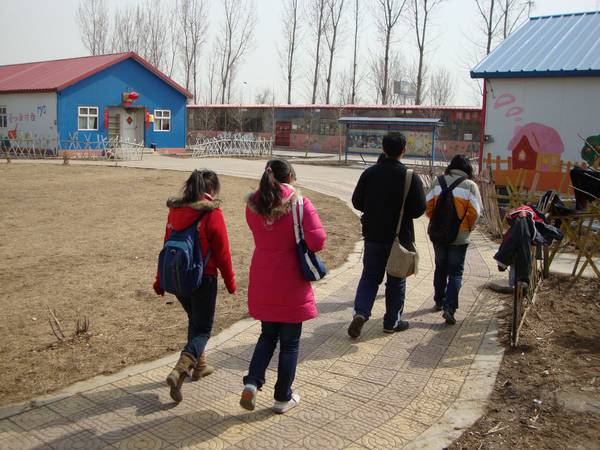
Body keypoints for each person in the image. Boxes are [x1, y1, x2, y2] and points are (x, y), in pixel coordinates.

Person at [240, 159, 326, 414]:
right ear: (290, 176)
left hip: (263, 275)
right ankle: (282, 398)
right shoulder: (300, 203)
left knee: (267, 335)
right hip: (291, 278)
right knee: (289, 343)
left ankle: (252, 383)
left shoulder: (254, 204)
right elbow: (318, 240)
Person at [153, 169, 236, 403]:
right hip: (203, 279)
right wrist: (230, 282)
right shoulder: (211, 214)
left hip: (178, 279)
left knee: (195, 320)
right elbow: (222, 252)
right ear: (211, 189)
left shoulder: (175, 211)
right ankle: (181, 367)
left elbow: (166, 246)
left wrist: (160, 280)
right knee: (203, 330)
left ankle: (199, 367)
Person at [348, 132, 426, 339]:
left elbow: (357, 202)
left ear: (382, 148)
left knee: (369, 276)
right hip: (399, 238)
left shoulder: (369, 173)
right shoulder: (410, 176)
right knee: (396, 279)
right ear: (404, 150)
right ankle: (392, 322)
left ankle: (361, 312)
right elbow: (419, 209)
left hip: (373, 235)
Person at [426, 155, 482, 325]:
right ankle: (449, 308)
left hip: (438, 235)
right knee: (455, 272)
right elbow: (475, 213)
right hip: (460, 236)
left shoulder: (437, 182)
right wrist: (467, 227)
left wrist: (437, 221)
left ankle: (439, 300)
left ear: (451, 166)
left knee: (440, 268)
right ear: (468, 168)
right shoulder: (470, 185)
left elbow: (427, 206)